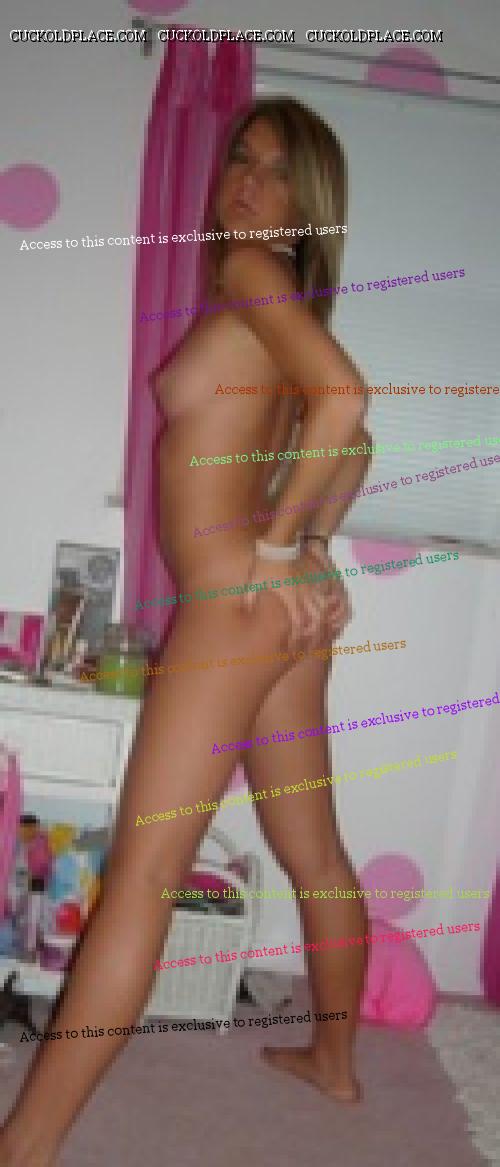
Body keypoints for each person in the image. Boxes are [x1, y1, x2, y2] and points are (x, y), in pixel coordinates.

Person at [1, 96, 373, 1166]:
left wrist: (281, 548)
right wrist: (309, 546)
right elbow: (352, 439)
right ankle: (335, 1063)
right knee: (313, 852)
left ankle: (23, 1146)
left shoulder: (253, 274)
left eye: (276, 170)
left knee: (145, 877)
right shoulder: (279, 300)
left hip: (231, 613)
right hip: (272, 620)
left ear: (309, 203)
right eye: (239, 159)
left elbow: (344, 404)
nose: (246, 181)